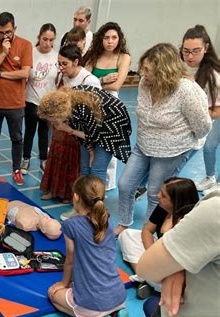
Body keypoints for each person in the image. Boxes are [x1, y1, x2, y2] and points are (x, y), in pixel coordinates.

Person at [115, 43, 212, 235]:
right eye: (143, 68)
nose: (143, 73)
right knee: (125, 184)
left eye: (148, 70)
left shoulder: (186, 90)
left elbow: (203, 126)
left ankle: (148, 231)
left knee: (155, 193)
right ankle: (124, 223)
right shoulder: (145, 83)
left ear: (164, 71)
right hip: (143, 145)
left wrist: (181, 141)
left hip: (171, 151)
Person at [48, 175, 128, 317]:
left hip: (93, 302)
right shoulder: (107, 220)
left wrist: (63, 284)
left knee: (54, 297)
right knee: (81, 290)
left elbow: (70, 259)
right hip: (119, 295)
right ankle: (114, 314)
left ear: (76, 197)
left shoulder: (71, 224)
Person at [137, 190, 220, 317]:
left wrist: (175, 264)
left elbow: (146, 267)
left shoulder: (214, 210)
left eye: (164, 194)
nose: (158, 196)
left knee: (150, 305)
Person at [119, 177, 199, 305]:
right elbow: (147, 230)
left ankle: (146, 278)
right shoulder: (163, 207)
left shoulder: (188, 222)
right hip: (158, 253)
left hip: (174, 269)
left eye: (163, 195)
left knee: (171, 281)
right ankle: (146, 278)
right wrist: (151, 254)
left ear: (176, 201)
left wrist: (153, 259)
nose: (158, 196)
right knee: (127, 235)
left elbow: (177, 261)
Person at [40, 44, 100, 203]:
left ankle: (68, 193)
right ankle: (53, 190)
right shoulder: (62, 77)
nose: (61, 67)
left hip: (77, 129)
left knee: (72, 161)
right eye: (58, 63)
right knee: (56, 156)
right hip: (60, 126)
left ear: (76, 61)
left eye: (64, 64)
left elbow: (94, 110)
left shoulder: (90, 80)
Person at [37, 85, 132, 185]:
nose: (52, 123)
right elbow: (85, 133)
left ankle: (96, 198)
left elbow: (92, 136)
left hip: (112, 125)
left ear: (60, 114)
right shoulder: (67, 106)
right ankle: (83, 197)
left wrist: (69, 129)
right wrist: (91, 152)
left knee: (96, 169)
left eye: (52, 120)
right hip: (93, 124)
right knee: (85, 167)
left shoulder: (82, 110)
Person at [0, 12, 32, 186]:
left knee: (17, 138)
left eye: (8, 32)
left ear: (14, 28)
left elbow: (24, 73)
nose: (4, 36)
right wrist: (3, 54)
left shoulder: (25, 45)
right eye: (1, 32)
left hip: (15, 103)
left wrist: (0, 72)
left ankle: (17, 170)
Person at [83, 22, 131, 191]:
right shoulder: (93, 56)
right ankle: (88, 182)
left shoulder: (123, 57)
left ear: (119, 39)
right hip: (90, 103)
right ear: (100, 39)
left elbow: (117, 85)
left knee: (108, 147)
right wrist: (102, 81)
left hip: (111, 105)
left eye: (114, 38)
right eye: (106, 38)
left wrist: (95, 84)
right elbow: (84, 81)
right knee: (89, 142)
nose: (110, 41)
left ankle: (106, 184)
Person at [181, 25, 220, 193]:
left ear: (206, 48)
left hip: (216, 113)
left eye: (195, 51)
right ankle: (211, 178)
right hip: (210, 114)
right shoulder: (187, 65)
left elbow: (217, 110)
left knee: (210, 145)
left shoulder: (213, 74)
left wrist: (194, 117)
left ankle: (216, 182)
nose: (190, 56)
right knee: (208, 147)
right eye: (186, 51)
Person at [21, 23, 58, 175]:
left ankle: (44, 159)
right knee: (29, 131)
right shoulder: (30, 53)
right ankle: (26, 159)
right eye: (44, 39)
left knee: (44, 133)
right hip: (30, 100)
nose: (47, 43)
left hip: (48, 102)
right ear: (39, 37)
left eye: (51, 40)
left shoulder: (56, 56)